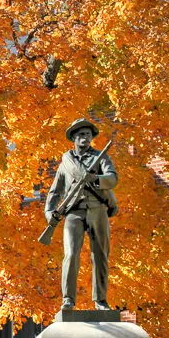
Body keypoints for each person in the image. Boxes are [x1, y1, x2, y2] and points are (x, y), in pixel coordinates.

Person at [44, 117, 118, 310]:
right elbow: (55, 191)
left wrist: (95, 178)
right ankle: (68, 299)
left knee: (100, 254)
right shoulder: (65, 163)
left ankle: (100, 300)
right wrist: (49, 212)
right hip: (73, 212)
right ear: (74, 139)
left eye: (88, 134)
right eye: (81, 135)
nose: (85, 138)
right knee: (70, 254)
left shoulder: (100, 157)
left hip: (97, 209)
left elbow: (112, 179)